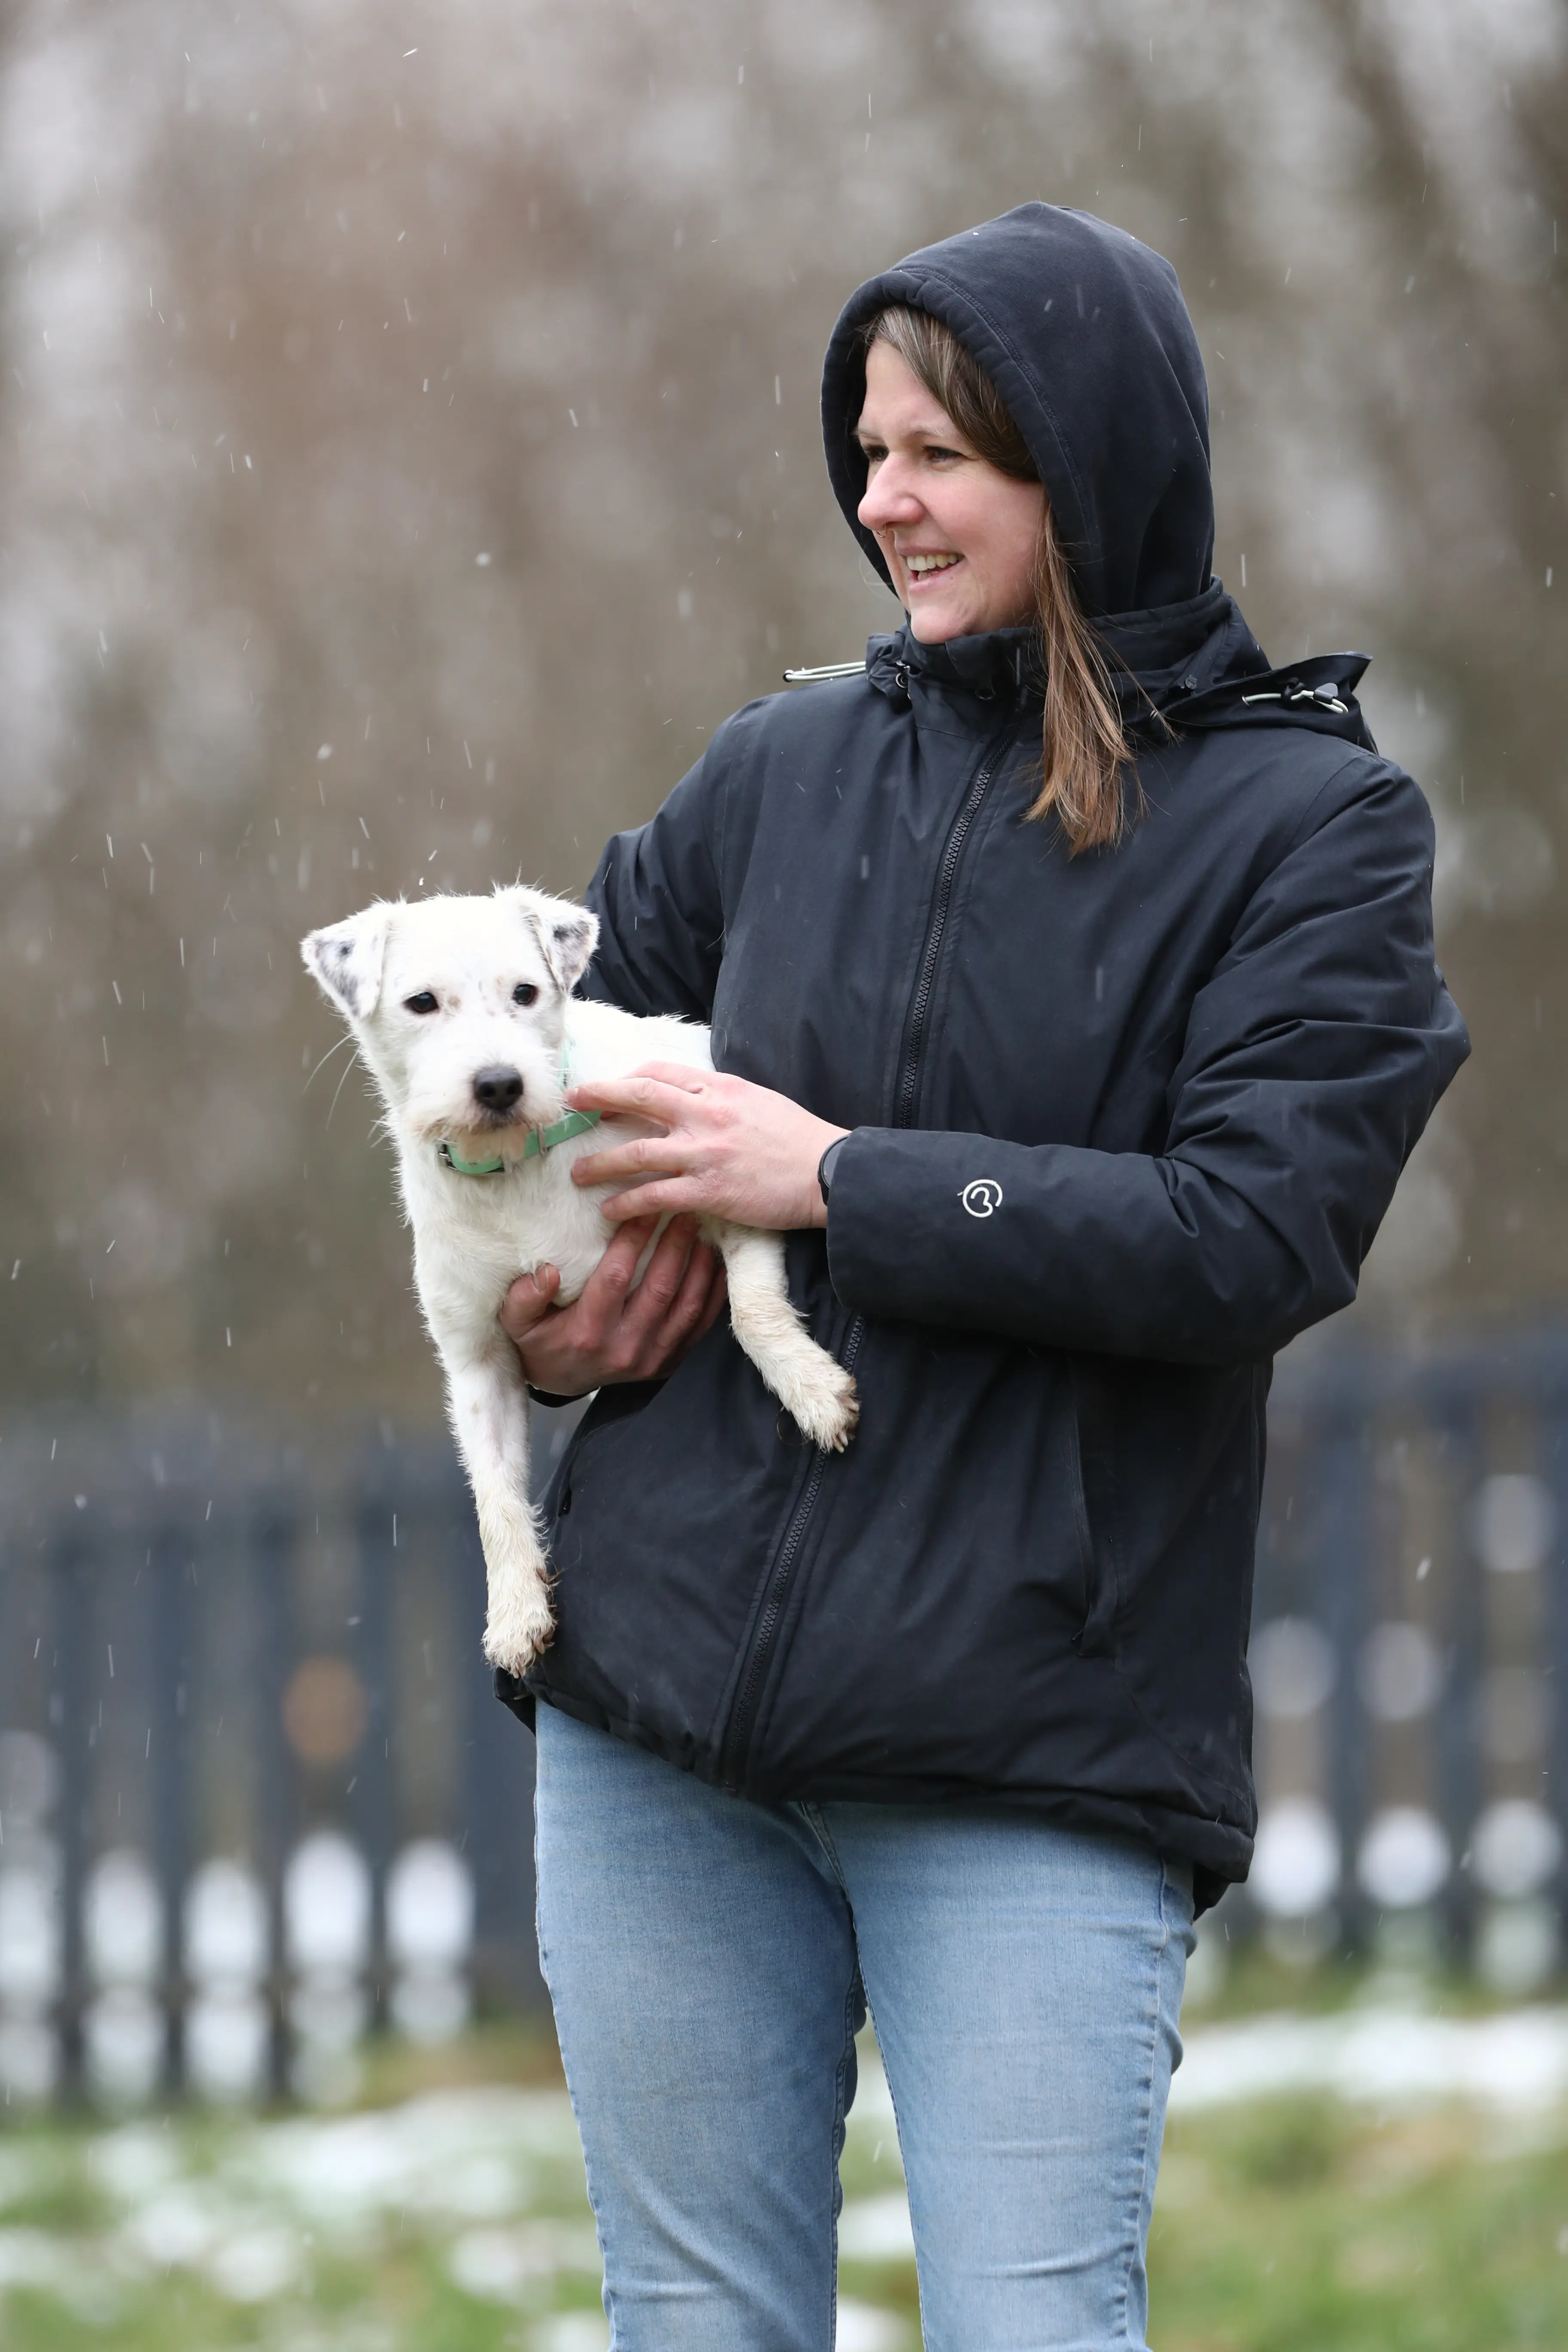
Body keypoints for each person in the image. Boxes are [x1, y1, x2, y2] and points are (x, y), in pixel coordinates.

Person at [496, 204, 1468, 2352]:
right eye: (867, 447)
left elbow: (1254, 1234)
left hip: (1034, 1746)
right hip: (660, 1727)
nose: (882, 498)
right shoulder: (778, 770)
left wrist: (847, 1183)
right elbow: (539, 1084)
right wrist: (537, 1312)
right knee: (693, 2318)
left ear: (1085, 459)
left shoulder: (1313, 834)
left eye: (939, 448)